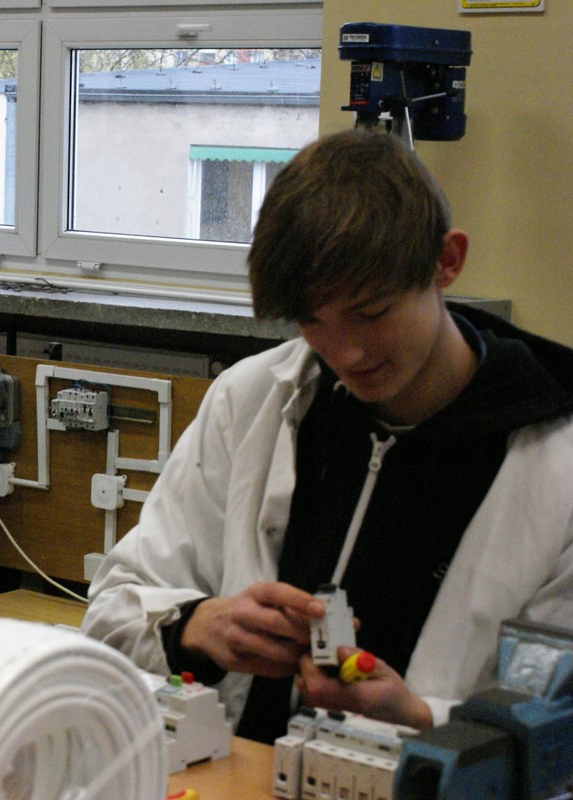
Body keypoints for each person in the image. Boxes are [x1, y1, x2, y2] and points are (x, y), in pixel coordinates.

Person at [81, 129, 573, 744]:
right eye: (311, 320)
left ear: (447, 261)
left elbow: (556, 722)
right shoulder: (251, 400)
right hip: (240, 774)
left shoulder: (556, 465)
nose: (346, 353)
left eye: (372, 312)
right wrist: (197, 625)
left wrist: (421, 718)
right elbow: (113, 607)